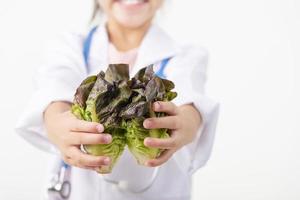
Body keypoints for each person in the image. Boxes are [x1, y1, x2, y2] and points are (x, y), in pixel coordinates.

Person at [16, 0, 219, 199]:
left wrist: (188, 122)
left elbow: (191, 98)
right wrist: (55, 118)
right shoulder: (70, 46)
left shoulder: (187, 56)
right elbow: (56, 82)